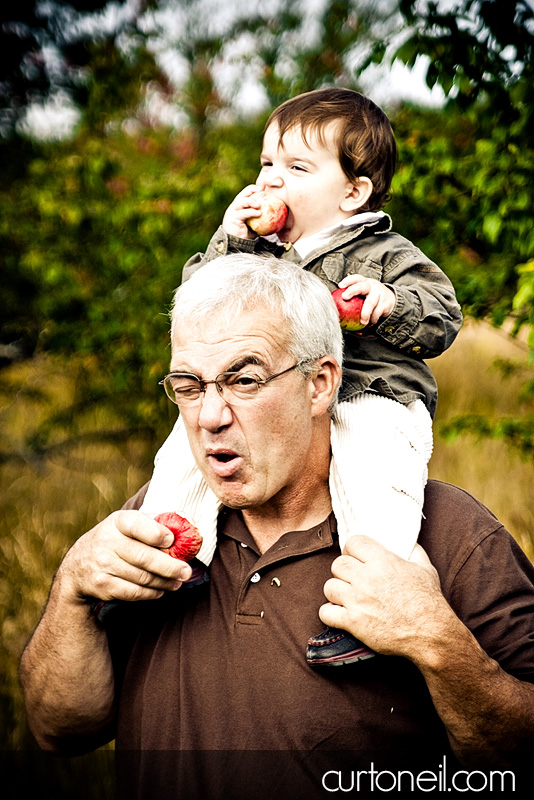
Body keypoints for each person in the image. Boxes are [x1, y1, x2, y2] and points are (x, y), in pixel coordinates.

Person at [19, 256, 534, 799]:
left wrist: (436, 642)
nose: (209, 416)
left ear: (320, 384)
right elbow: (59, 731)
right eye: (189, 386)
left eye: (244, 380)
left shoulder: (445, 535)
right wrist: (71, 593)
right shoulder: (155, 529)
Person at [140, 87, 463, 665]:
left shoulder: (384, 251)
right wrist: (231, 241)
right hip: (280, 398)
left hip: (372, 392)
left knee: (374, 483)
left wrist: (389, 303)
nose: (272, 180)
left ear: (352, 192)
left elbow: (443, 316)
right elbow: (200, 305)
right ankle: (172, 559)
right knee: (179, 458)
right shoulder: (256, 254)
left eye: (296, 167)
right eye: (267, 164)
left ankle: (373, 608)